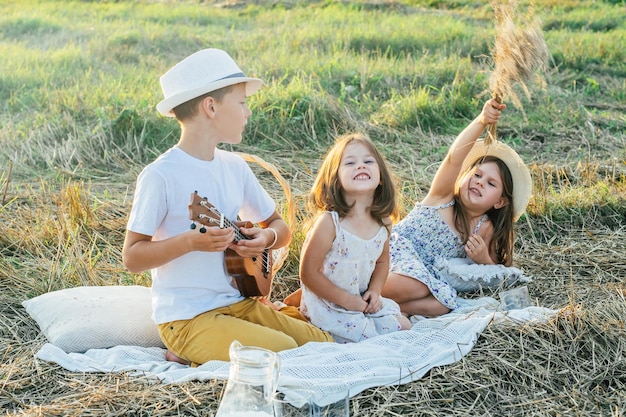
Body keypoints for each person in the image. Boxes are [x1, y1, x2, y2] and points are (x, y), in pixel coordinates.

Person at [122, 48, 333, 366]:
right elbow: (133, 257)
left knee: (321, 343)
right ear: (211, 107)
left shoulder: (235, 167)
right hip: (189, 316)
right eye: (242, 103)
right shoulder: (160, 175)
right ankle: (187, 349)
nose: (248, 113)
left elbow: (280, 228)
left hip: (241, 302)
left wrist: (265, 240)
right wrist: (190, 242)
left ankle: (208, 351)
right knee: (284, 353)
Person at [381, 99, 532, 317]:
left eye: (491, 183)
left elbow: (497, 272)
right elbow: (454, 157)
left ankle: (383, 308)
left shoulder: (483, 227)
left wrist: (482, 259)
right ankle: (356, 297)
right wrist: (481, 121)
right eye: (477, 175)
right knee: (419, 286)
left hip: (421, 274)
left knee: (443, 303)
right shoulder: (442, 197)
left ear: (500, 202)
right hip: (391, 253)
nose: (480, 182)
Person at [296, 133, 413, 343]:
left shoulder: (383, 222)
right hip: (329, 304)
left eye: (368, 161)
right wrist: (346, 301)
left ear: (380, 178)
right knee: (366, 339)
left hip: (360, 301)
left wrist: (375, 292)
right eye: (350, 162)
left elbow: (382, 261)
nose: (361, 166)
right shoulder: (330, 223)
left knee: (404, 327)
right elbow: (308, 273)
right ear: (335, 179)